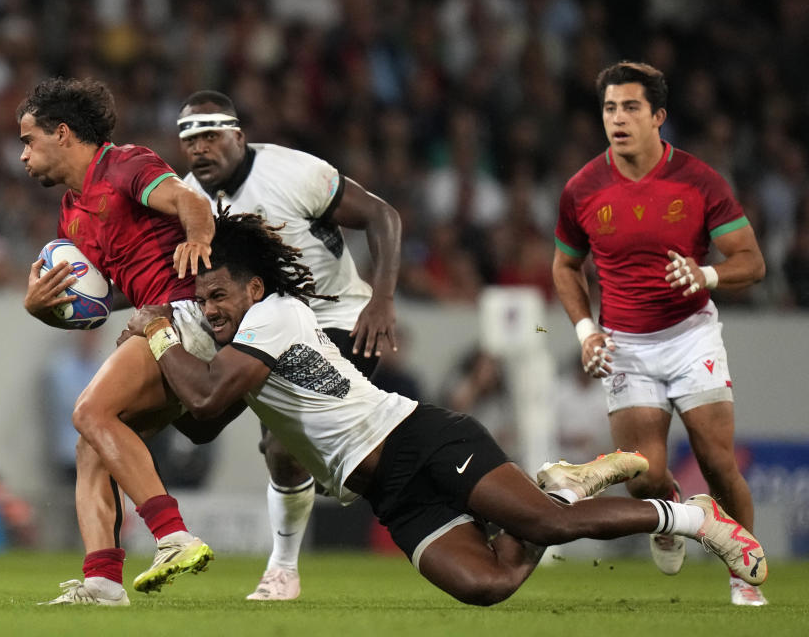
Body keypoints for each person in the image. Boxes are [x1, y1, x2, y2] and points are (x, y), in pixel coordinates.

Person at [125, 210, 767, 606]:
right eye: (200, 300)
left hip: (419, 438)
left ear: (254, 287)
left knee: (547, 529)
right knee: (489, 586)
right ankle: (565, 490)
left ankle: (692, 518)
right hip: (386, 491)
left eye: (218, 294)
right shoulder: (239, 340)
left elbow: (207, 393)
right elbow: (203, 419)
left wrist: (156, 335)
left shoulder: (276, 314)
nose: (209, 309)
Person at [551, 62, 768, 606]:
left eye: (630, 108)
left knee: (719, 464)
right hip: (625, 346)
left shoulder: (698, 180)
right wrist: (585, 331)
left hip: (691, 335)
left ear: (658, 117)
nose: (618, 119)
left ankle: (744, 575)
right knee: (643, 477)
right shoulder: (582, 189)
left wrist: (707, 274)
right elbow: (564, 266)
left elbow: (752, 261)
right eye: (609, 108)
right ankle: (669, 510)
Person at [176, 90, 403, 600]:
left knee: (346, 455)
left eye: (210, 136)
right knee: (274, 447)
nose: (199, 150)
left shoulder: (293, 171)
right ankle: (283, 569)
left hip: (337, 315)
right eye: (189, 141)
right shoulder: (189, 198)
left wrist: (382, 298)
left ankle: (457, 493)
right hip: (264, 322)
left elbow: (382, 215)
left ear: (238, 135)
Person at [17, 77, 219, 606]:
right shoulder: (70, 213)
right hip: (153, 319)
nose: (22, 155)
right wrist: (44, 310)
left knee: (89, 412)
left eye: (28, 140)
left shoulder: (126, 165)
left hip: (187, 313)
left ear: (62, 134)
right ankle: (103, 580)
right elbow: (100, 305)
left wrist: (197, 238)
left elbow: (189, 201)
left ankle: (173, 535)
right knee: (92, 446)